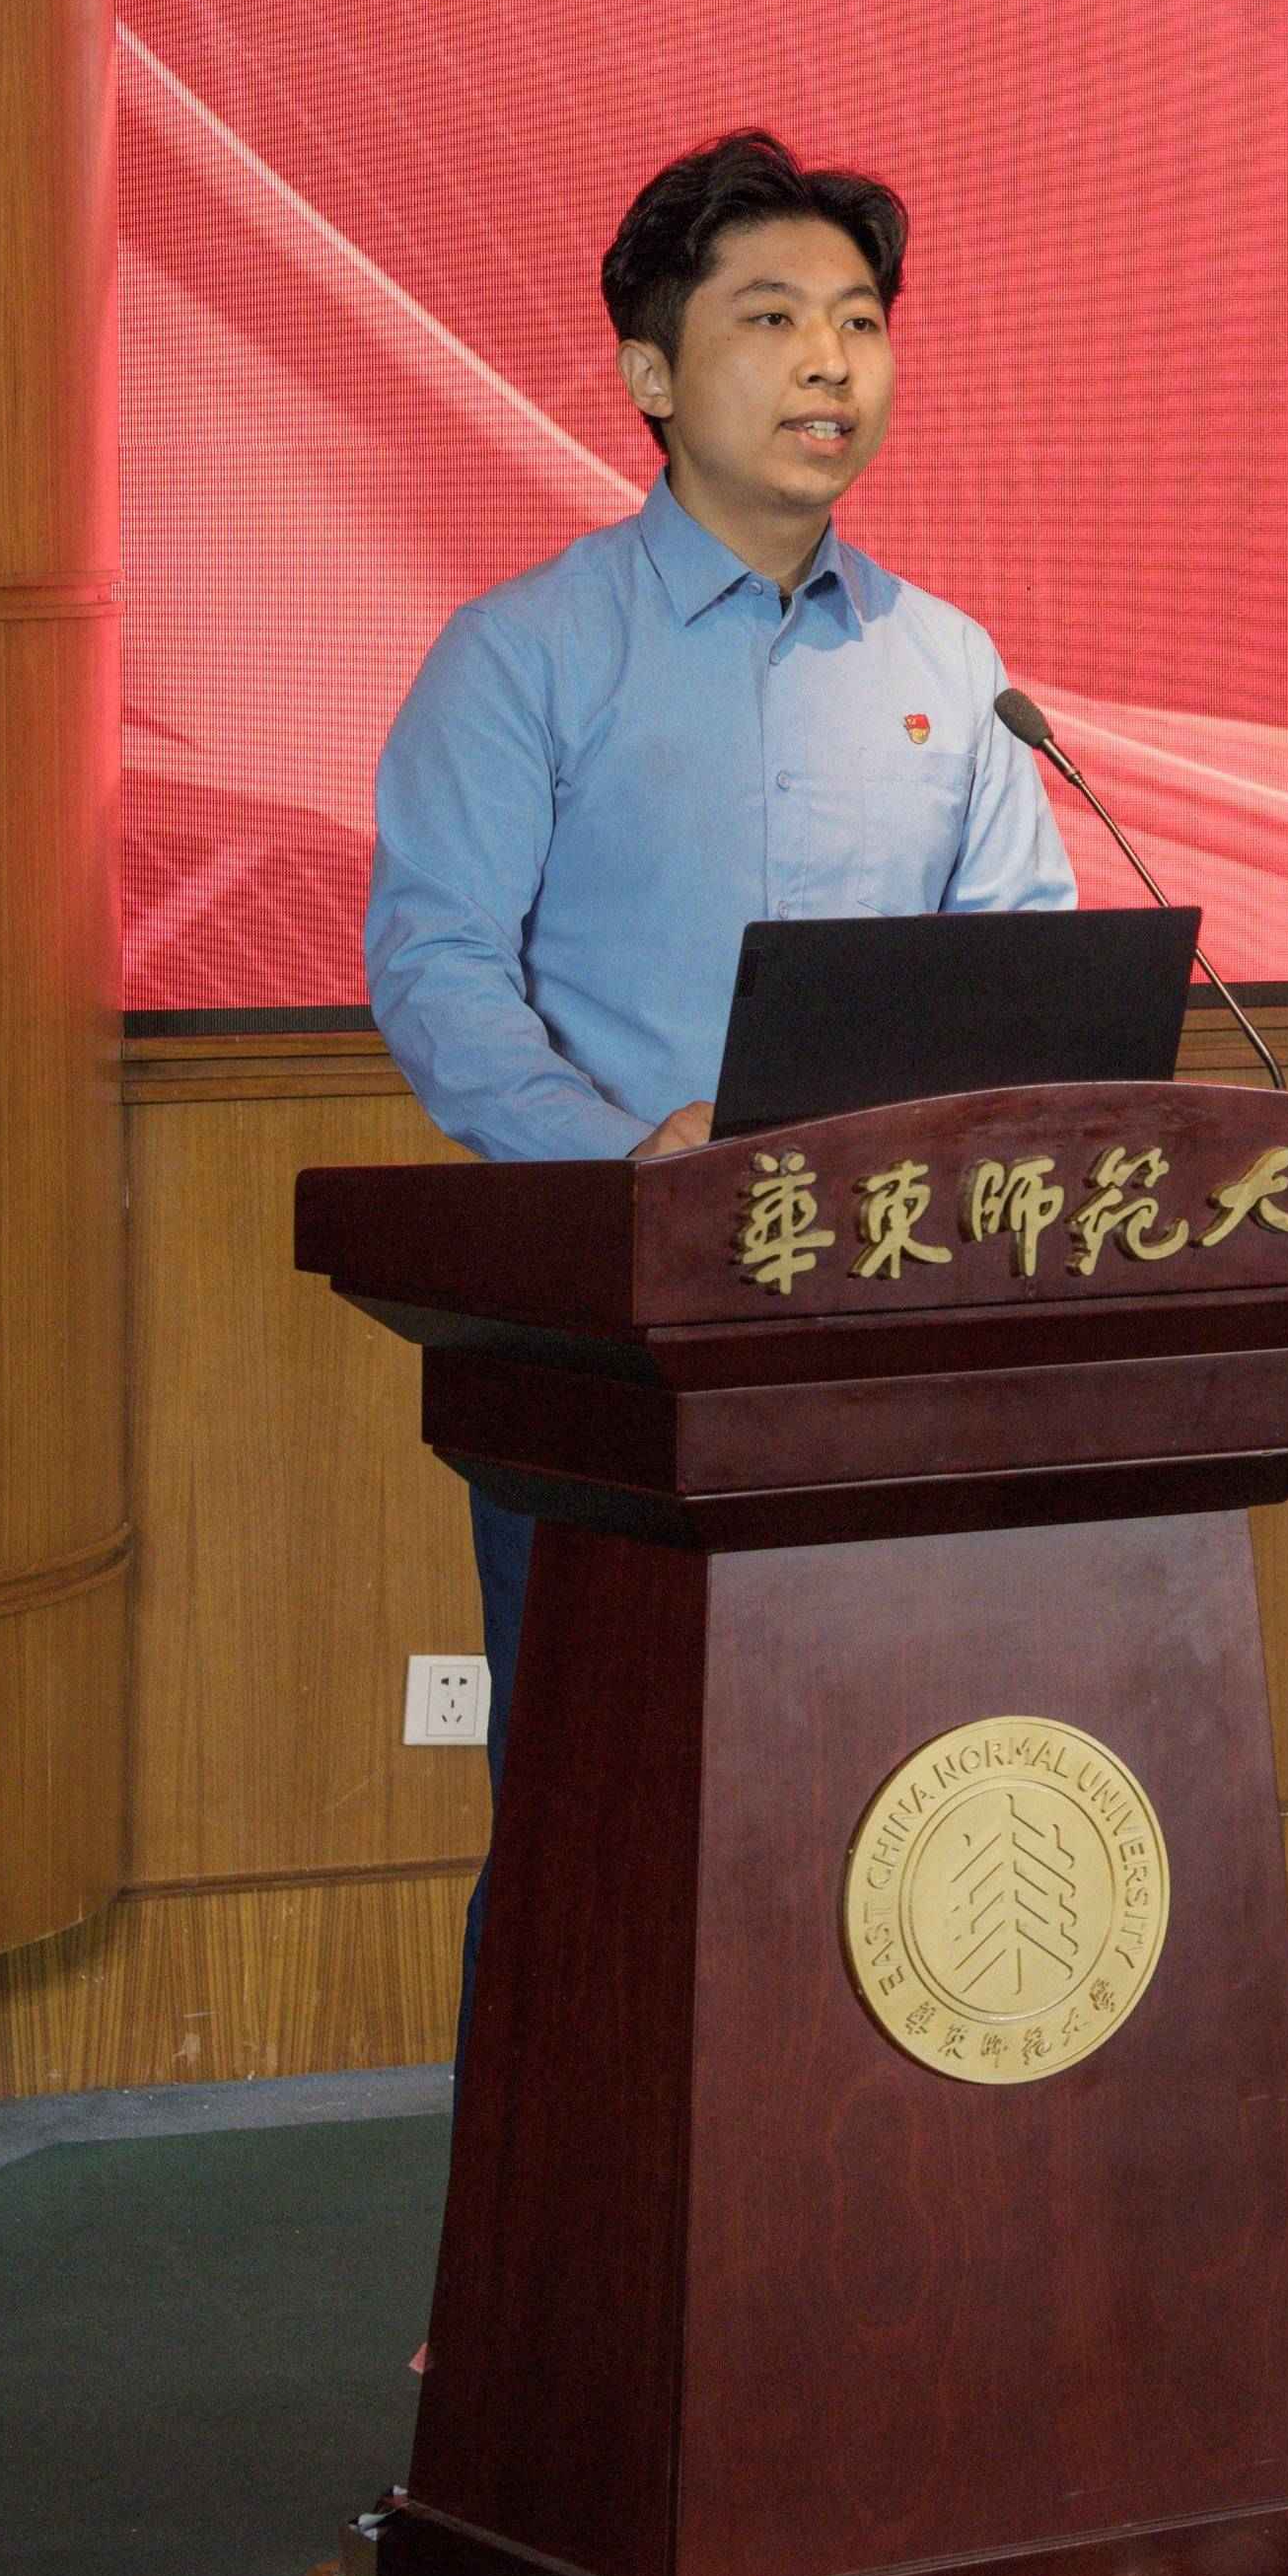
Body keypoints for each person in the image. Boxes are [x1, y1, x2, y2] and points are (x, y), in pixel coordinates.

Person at [362, 127, 1072, 1991]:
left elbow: (1023, 967)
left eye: (861, 321)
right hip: (613, 1341)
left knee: (887, 1831)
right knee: (600, 1832)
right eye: (772, 318)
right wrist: (631, 1159)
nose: (831, 361)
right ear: (653, 373)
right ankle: (537, 2194)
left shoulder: (953, 668)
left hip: (889, 1332)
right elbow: (436, 969)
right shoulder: (526, 652)